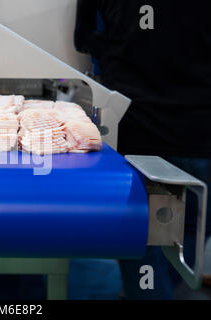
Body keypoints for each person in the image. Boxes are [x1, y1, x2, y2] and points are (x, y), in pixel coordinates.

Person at [74, 0, 211, 299]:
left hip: (138, 127)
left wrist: (124, 54)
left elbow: (83, 39)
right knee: (189, 240)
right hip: (198, 130)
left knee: (143, 246)